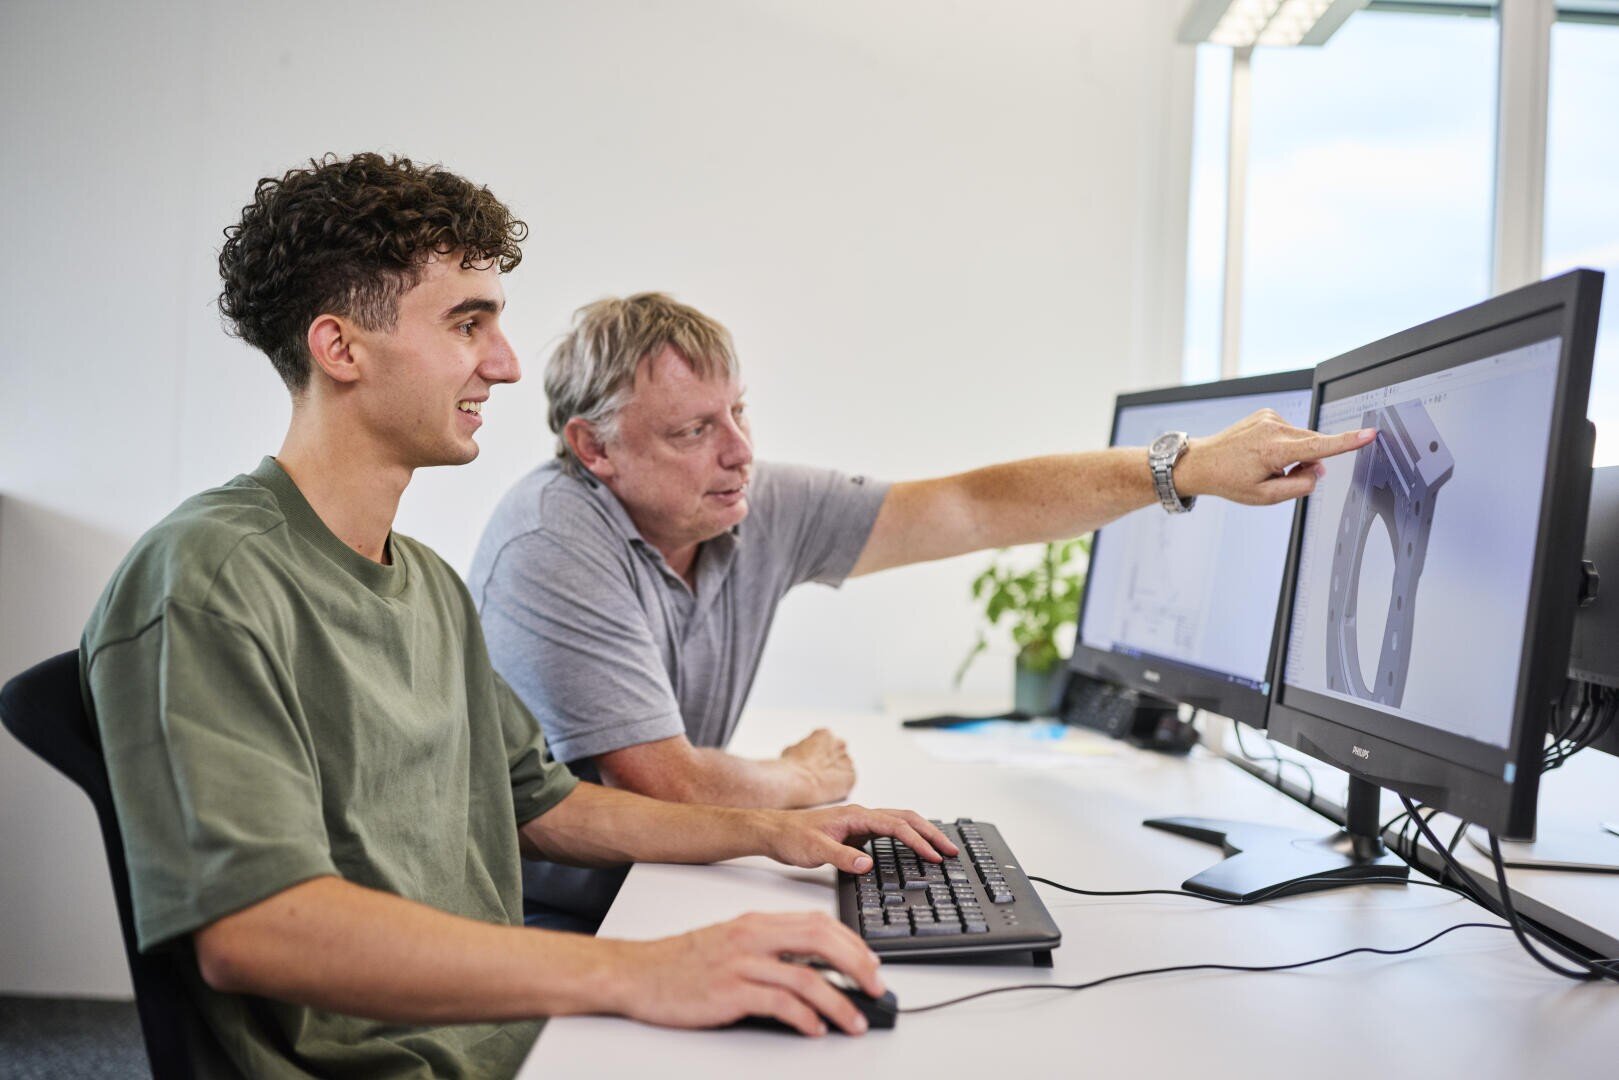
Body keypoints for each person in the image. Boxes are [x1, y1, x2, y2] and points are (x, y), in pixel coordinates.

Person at [79, 153, 958, 1078]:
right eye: (468, 324)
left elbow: (548, 805)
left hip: (511, 1030)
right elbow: (255, 931)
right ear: (340, 349)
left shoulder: (421, 582)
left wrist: (777, 832)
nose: (503, 365)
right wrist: (635, 972)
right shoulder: (211, 580)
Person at [467, 292, 1376, 931]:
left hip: (656, 887)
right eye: (692, 430)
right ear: (594, 447)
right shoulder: (552, 544)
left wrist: (1181, 471)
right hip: (546, 918)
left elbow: (973, 507)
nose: (740, 452)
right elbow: (665, 789)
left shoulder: (743, 500)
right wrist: (796, 779)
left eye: (738, 412)